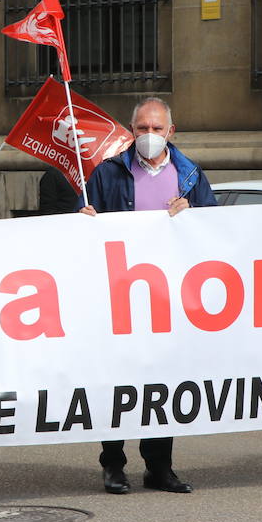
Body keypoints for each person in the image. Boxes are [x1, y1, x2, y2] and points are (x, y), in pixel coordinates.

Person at [80, 97, 215, 495]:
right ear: (131, 131)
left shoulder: (189, 175)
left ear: (171, 133)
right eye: (142, 128)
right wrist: (84, 220)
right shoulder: (107, 174)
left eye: (157, 129)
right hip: (121, 297)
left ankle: (159, 467)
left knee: (163, 383)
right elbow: (82, 227)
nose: (150, 136)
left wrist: (195, 212)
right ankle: (114, 465)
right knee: (119, 383)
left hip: (169, 299)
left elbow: (216, 228)